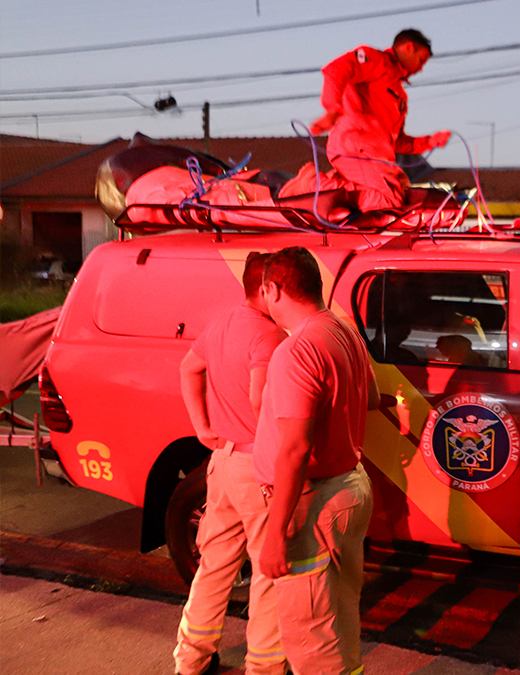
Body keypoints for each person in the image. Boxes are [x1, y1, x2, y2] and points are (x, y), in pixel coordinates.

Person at [254, 247, 380, 675]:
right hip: (351, 488)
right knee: (341, 622)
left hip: (314, 505)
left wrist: (274, 535)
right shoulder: (342, 330)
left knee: (311, 640)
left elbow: (294, 449)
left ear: (273, 290)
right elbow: (375, 397)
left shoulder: (297, 351)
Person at [174, 252, 289, 675]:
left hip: (220, 463)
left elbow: (189, 368)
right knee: (269, 571)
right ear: (266, 288)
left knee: (214, 565)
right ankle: (265, 667)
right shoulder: (270, 336)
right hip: (257, 466)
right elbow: (263, 399)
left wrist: (202, 427)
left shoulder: (221, 324)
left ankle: (191, 659)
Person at [310, 29, 452, 213]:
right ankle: (315, 188)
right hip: (356, 150)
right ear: (409, 48)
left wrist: (429, 142)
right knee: (386, 201)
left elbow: (397, 142)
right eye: (421, 60)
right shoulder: (377, 61)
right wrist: (333, 108)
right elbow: (336, 70)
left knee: (407, 196)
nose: (421, 68)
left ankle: (343, 202)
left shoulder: (400, 97)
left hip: (379, 160)